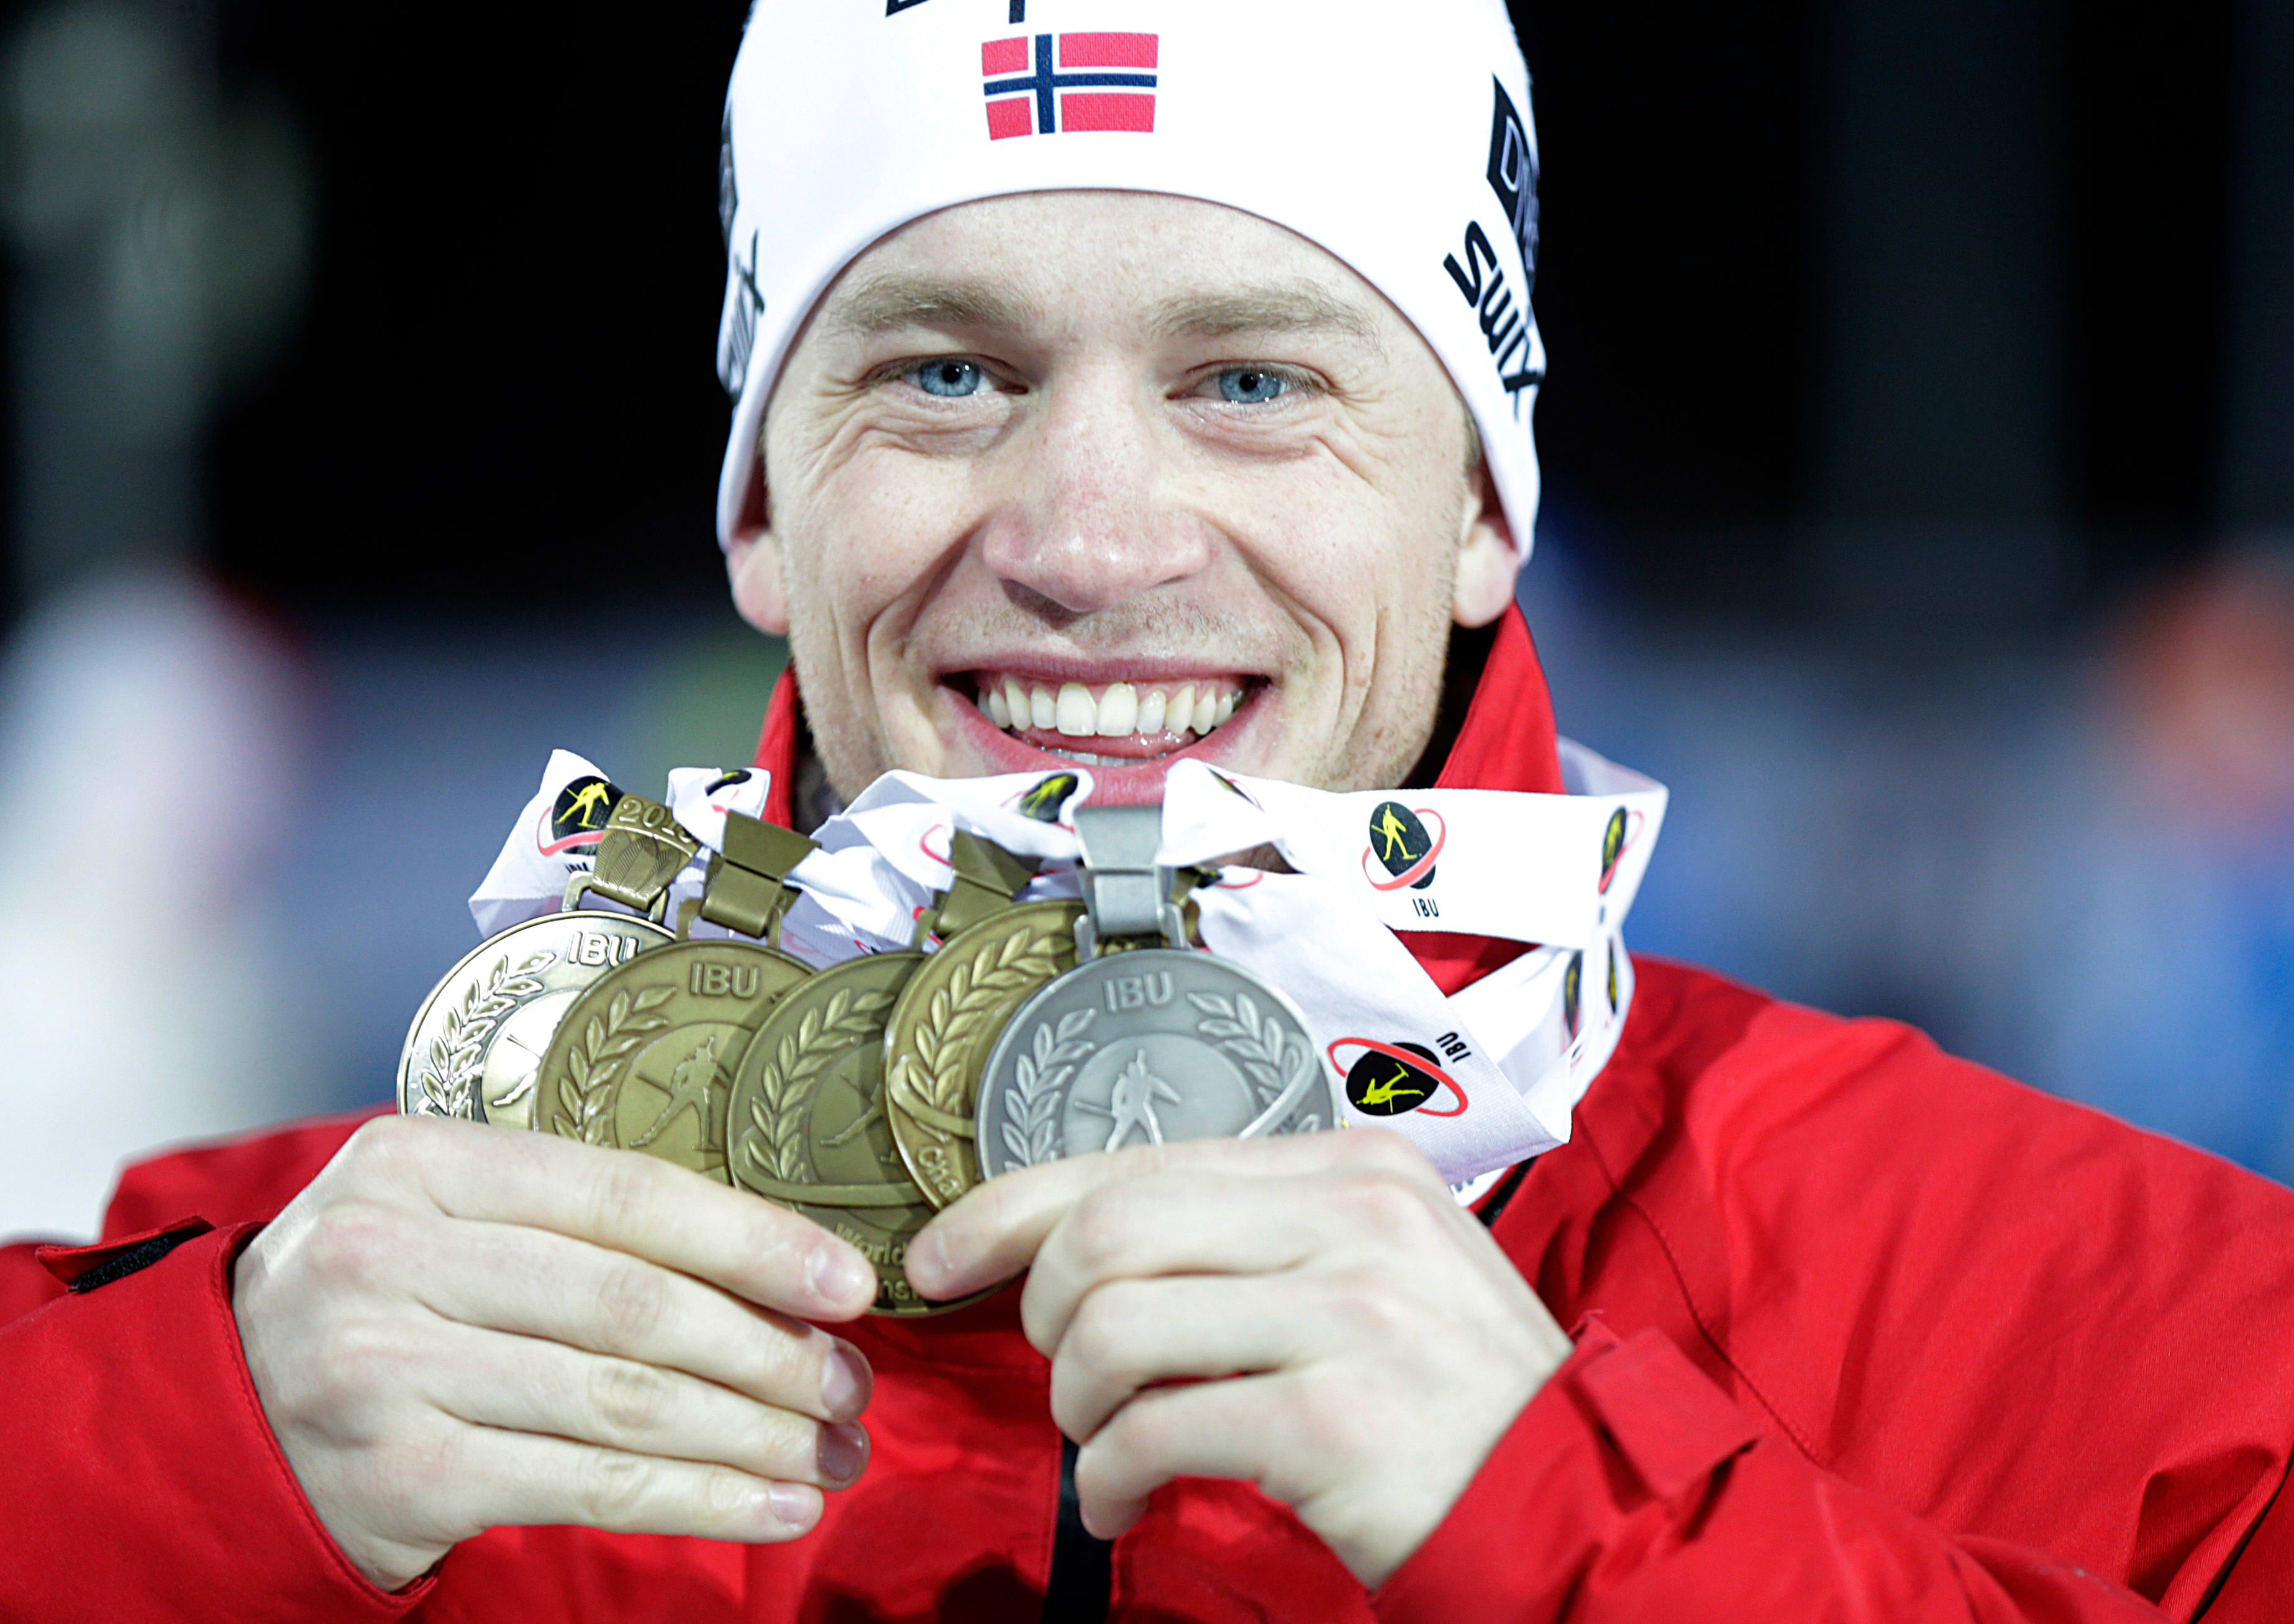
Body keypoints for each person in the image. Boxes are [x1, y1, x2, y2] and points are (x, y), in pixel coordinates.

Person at [6, 3, 2294, 1620]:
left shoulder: (2144, 1336)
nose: (1091, 541)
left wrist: (1579, 1531)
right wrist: (177, 1465)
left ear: (1482, 509)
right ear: (764, 514)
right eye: (946, 372)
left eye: (1253, 379)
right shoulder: (324, 1322)